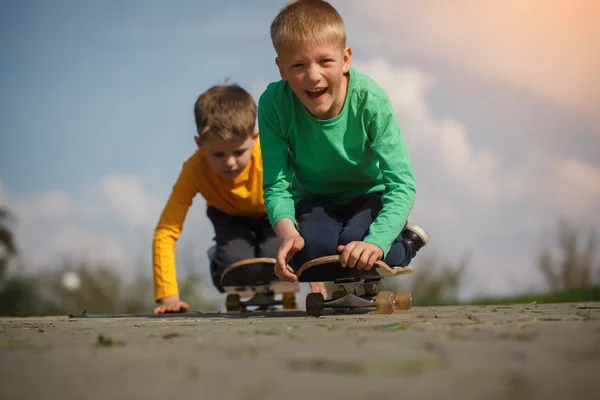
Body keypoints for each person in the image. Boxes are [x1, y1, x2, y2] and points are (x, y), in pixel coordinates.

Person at [258, 0, 430, 284]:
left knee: (358, 247)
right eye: (298, 65)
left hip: (369, 196)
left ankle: (406, 243)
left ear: (346, 59)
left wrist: (377, 241)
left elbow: (401, 184)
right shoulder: (273, 105)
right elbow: (276, 185)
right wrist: (288, 232)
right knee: (312, 257)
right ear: (281, 68)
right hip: (315, 200)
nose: (313, 76)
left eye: (325, 61)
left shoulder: (371, 101)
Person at [152, 83, 327, 314]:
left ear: (255, 138)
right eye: (218, 154)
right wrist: (168, 296)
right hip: (229, 219)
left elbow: (306, 198)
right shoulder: (193, 169)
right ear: (199, 145)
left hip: (274, 216)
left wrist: (313, 269)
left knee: (277, 258)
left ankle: (276, 260)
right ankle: (221, 257)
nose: (230, 162)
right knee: (233, 266)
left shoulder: (268, 155)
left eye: (238, 152)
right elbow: (166, 230)